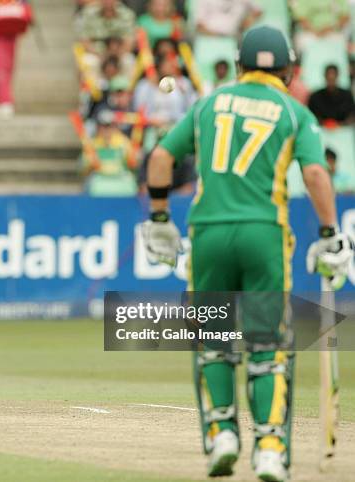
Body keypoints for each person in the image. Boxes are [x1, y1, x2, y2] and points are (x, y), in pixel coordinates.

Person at [141, 25, 353, 481]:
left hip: (209, 234)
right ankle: (271, 448)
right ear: (288, 69)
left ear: (238, 65)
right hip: (264, 235)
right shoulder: (295, 112)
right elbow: (316, 174)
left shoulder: (206, 104)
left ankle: (222, 434)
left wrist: (159, 220)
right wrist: (331, 234)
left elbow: (160, 159)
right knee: (268, 346)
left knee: (213, 343)